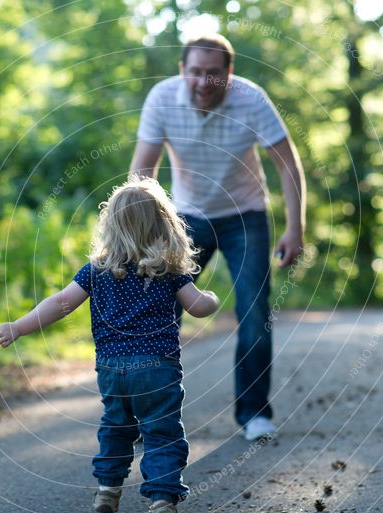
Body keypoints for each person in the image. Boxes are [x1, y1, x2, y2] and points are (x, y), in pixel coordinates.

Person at [0, 176, 219, 513]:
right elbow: (198, 308)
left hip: (112, 369)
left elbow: (60, 304)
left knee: (116, 425)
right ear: (165, 225)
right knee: (162, 432)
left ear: (109, 226)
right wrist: (213, 299)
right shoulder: (169, 271)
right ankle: (163, 501)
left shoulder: (96, 271)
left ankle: (108, 487)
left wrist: (18, 327)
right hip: (157, 368)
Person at [129, 33, 306, 441]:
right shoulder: (162, 98)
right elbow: (142, 173)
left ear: (229, 74)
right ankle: (147, 415)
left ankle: (254, 413)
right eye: (195, 73)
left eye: (213, 74)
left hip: (246, 216)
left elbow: (288, 166)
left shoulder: (251, 100)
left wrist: (295, 229)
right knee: (157, 309)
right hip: (185, 217)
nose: (203, 82)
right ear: (181, 71)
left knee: (254, 312)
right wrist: (142, 233)